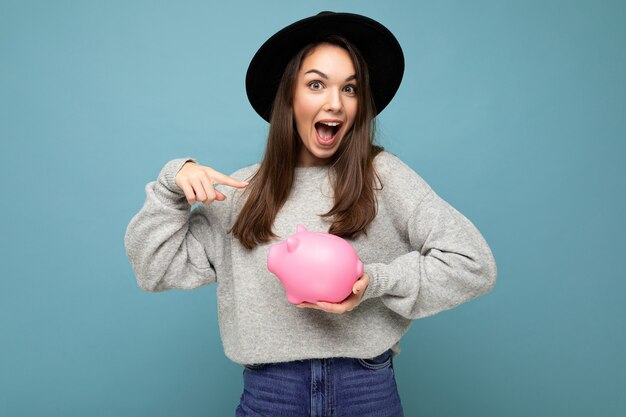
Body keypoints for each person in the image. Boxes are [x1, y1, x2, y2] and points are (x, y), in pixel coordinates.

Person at [124, 11, 497, 417]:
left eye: (350, 88)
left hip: (366, 390)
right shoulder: (240, 192)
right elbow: (154, 269)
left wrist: (374, 281)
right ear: (289, 97)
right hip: (271, 395)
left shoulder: (383, 177)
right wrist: (170, 186)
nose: (335, 103)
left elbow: (473, 264)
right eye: (316, 84)